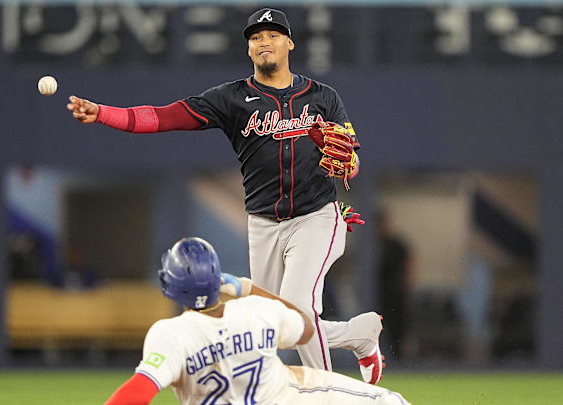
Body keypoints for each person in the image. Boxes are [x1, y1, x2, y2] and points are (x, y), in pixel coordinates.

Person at [68, 7, 381, 381]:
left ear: (289, 43)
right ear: (249, 49)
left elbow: (353, 161)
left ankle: (329, 393)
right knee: (269, 324)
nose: (264, 41)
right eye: (255, 37)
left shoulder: (323, 96)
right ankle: (359, 335)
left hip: (316, 217)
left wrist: (347, 163)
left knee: (297, 306)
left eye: (273, 34)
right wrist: (102, 112)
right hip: (263, 223)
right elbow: (162, 117)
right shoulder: (231, 98)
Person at [104, 237, 410, 405]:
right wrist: (248, 288)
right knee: (391, 401)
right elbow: (305, 326)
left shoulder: (170, 334)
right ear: (216, 278)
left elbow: (137, 392)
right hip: (287, 397)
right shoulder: (255, 309)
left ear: (171, 287)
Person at [376, 209, 414, 360]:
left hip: (395, 293)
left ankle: (400, 359)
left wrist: (407, 285)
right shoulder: (371, 246)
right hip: (377, 294)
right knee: (378, 329)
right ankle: (380, 358)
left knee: (398, 329)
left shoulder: (395, 244)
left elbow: (409, 263)